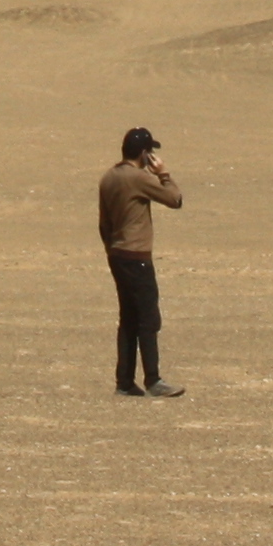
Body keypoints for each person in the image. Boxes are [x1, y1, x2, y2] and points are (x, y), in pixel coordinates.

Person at [99, 127, 185, 397]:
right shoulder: (138, 178)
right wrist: (164, 175)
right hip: (137, 257)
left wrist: (112, 248)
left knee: (128, 318)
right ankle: (153, 380)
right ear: (145, 153)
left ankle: (124, 381)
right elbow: (175, 199)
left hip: (118, 254)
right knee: (148, 318)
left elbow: (104, 224)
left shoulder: (109, 177)